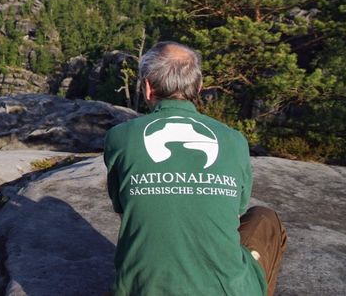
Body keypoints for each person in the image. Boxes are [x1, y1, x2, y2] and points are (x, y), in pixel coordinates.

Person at [104, 41, 287, 296]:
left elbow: (121, 205)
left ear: (147, 88)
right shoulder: (233, 140)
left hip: (140, 289)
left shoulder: (119, 137)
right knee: (265, 219)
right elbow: (237, 211)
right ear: (199, 87)